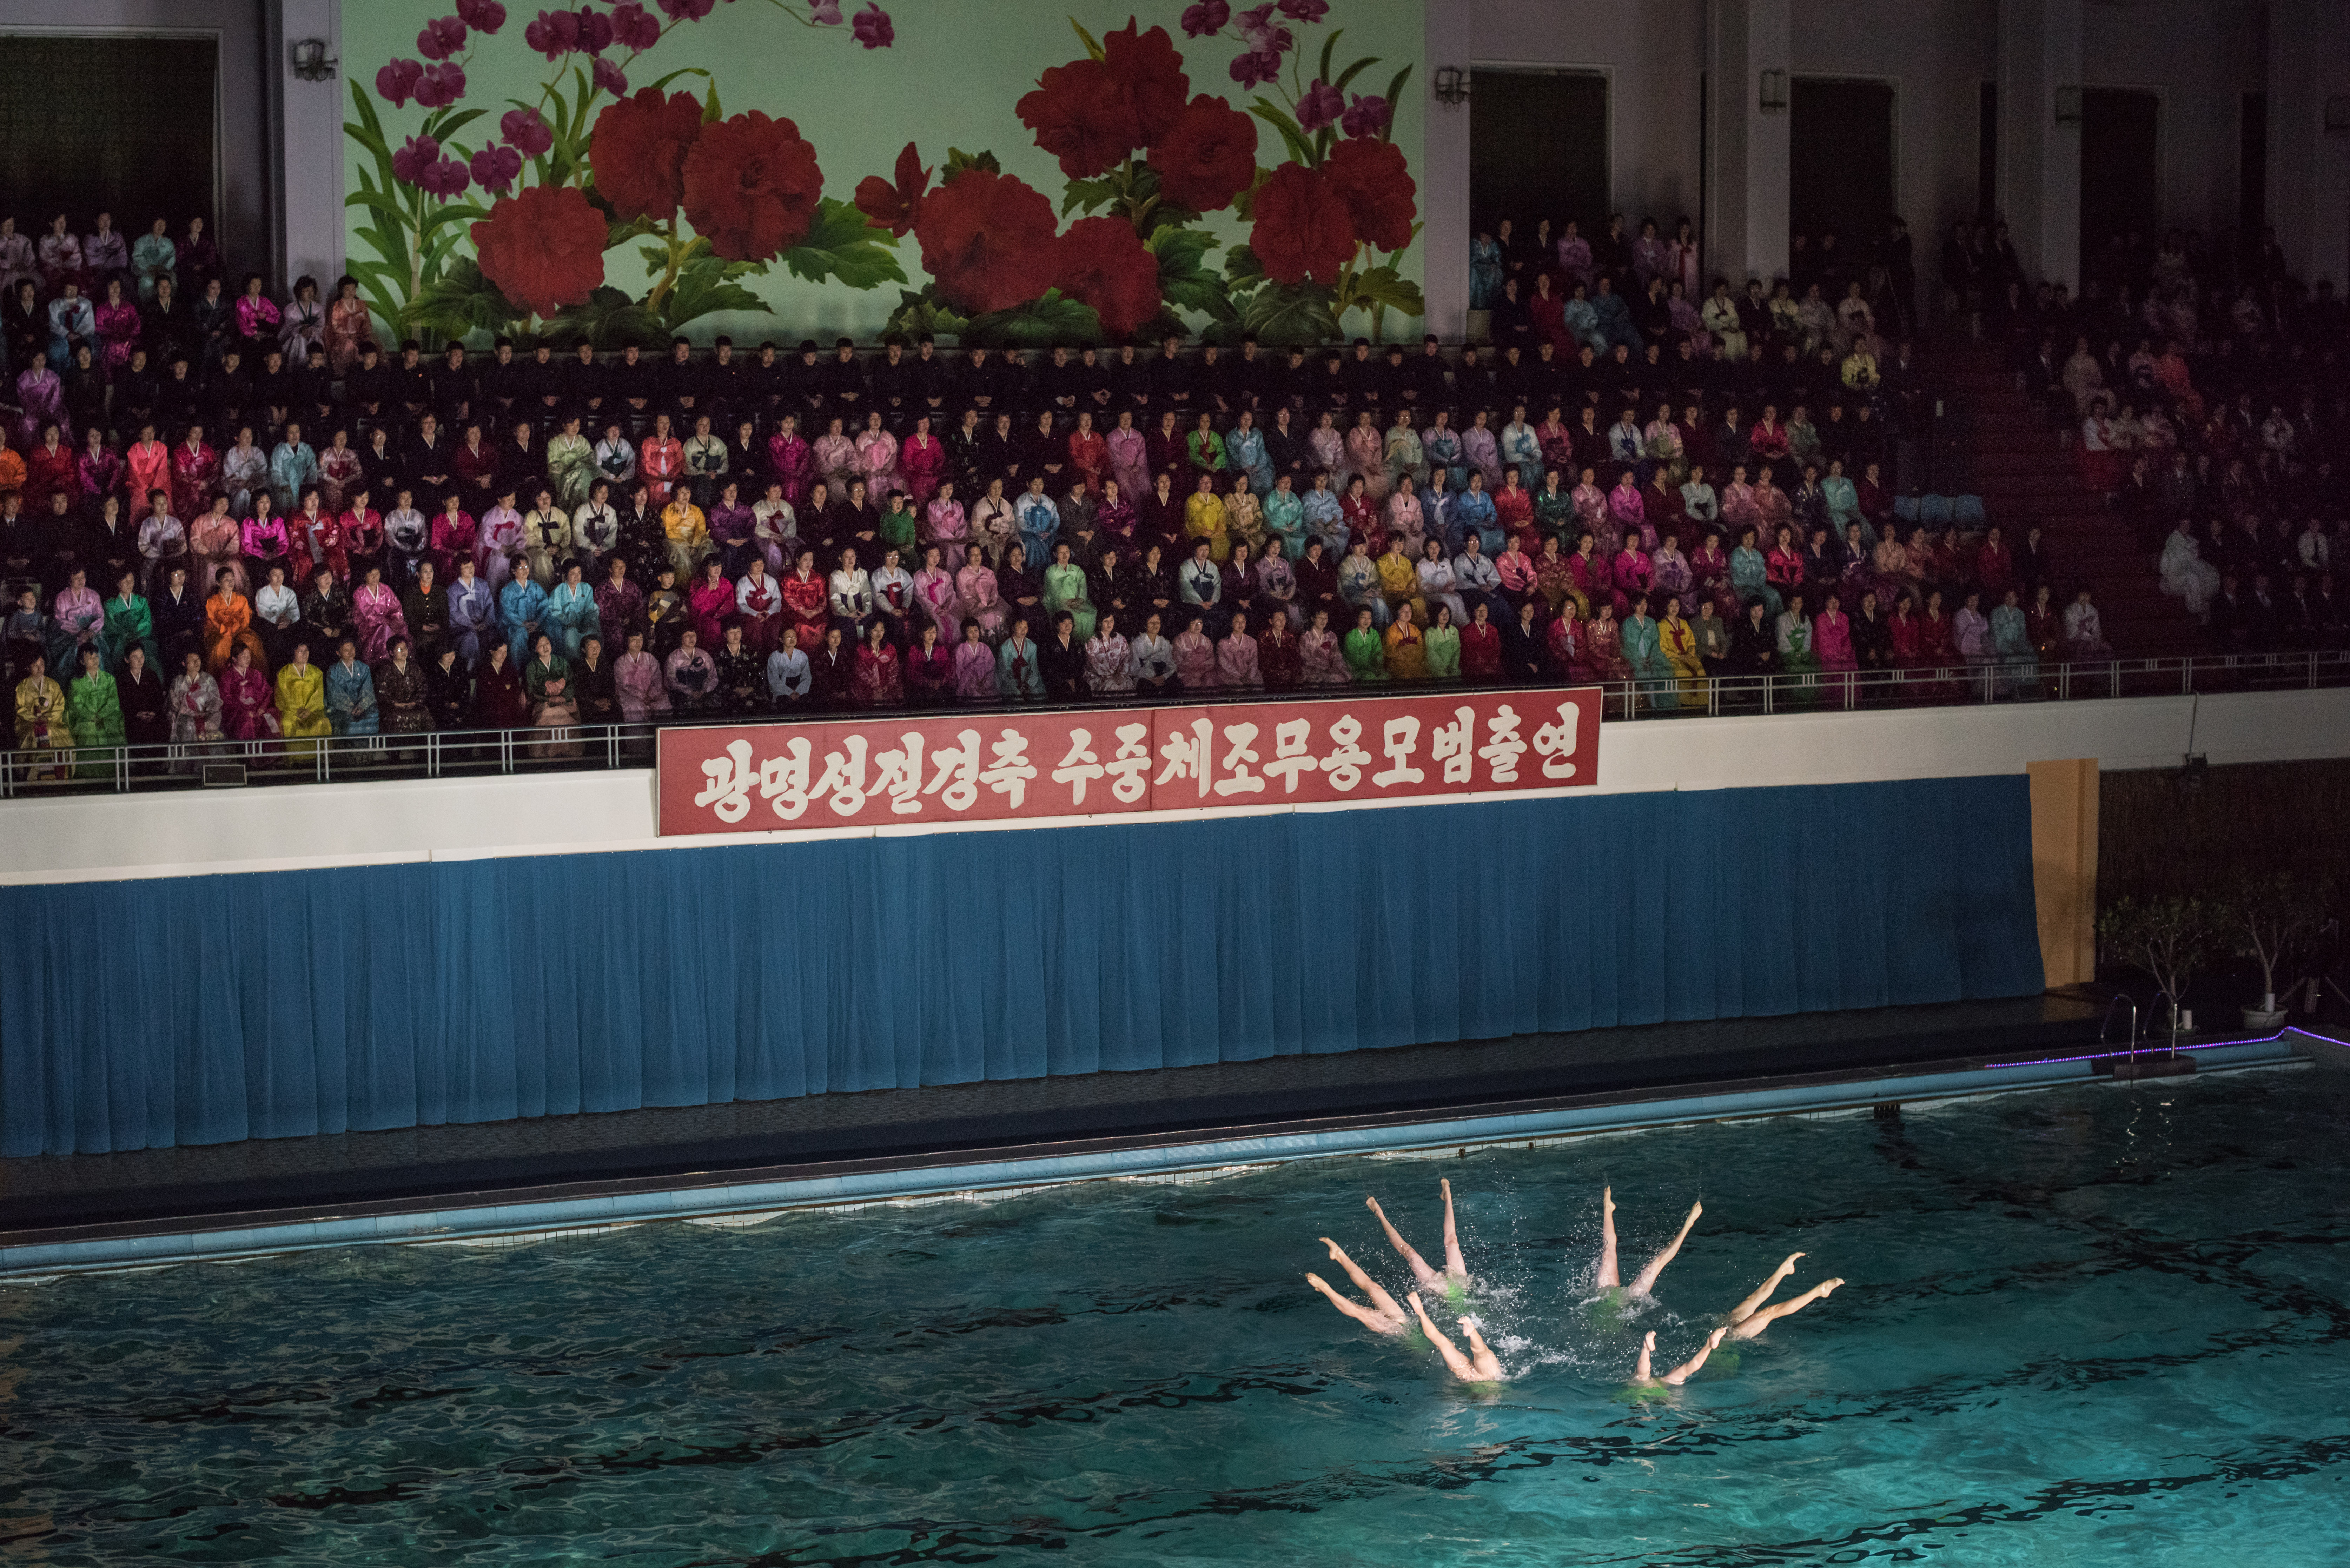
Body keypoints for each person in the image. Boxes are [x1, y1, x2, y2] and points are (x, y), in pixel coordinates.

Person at [1594, 1186, 1702, 1300]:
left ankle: (1608, 1208)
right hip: (1628, 1300)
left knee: (1608, 1249)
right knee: (1658, 1263)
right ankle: (1689, 1223)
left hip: (1604, 1296)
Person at [1364, 1180, 1469, 1296]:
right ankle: (1448, 1197)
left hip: (1439, 1290)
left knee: (1410, 1254)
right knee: (1452, 1241)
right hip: (1461, 1283)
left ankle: (1379, 1213)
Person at [1720, 1253, 1846, 1341]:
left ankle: (1784, 1270)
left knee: (1752, 1299)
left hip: (1724, 1331)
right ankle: (1819, 1291)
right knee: (1770, 1312)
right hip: (1731, 1339)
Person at [1407, 1293, 1505, 1387]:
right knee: (1481, 1354)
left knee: (1444, 1344)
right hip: (1477, 1379)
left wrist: (1421, 1312)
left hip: (1468, 1376)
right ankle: (1472, 1332)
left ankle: (1421, 1313)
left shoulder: (1467, 1372)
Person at [1629, 1327, 1728, 1390]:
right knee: (1686, 1370)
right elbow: (1692, 1366)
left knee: (1641, 1377)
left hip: (1642, 1394)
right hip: (1661, 1392)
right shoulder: (1662, 1382)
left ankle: (1646, 1348)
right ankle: (1709, 1345)